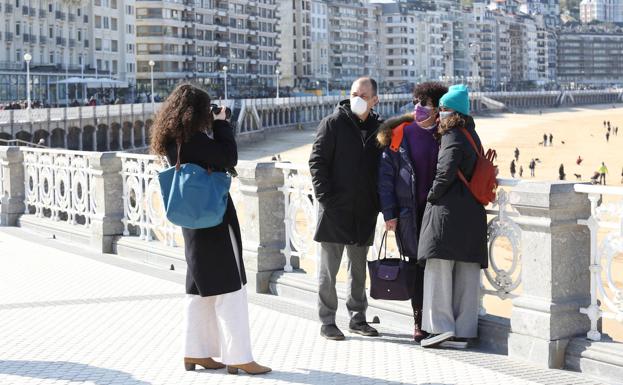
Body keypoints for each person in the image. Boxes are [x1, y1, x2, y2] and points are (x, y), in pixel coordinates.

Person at [150, 84, 270, 375]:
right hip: (214, 218)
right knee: (231, 286)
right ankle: (239, 356)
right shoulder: (194, 140)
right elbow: (228, 158)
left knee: (199, 287)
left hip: (191, 221)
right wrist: (223, 124)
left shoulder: (171, 140)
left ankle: (196, 351)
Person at [309, 77, 383, 341]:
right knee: (329, 271)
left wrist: (379, 204)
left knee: (359, 268)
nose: (357, 98)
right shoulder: (333, 123)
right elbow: (317, 162)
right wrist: (326, 199)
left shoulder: (379, 129)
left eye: (363, 94)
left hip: (364, 210)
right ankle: (327, 320)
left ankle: (357, 317)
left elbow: (385, 168)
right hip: (334, 210)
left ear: (375, 99)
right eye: (354, 93)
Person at [376, 81, 448, 343]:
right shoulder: (399, 134)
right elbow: (385, 178)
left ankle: (439, 322)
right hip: (409, 215)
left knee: (436, 268)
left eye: (425, 104)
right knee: (416, 268)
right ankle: (418, 323)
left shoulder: (445, 134)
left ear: (438, 109)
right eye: (417, 102)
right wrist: (389, 213)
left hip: (438, 214)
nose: (418, 108)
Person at [417, 84, 487, 348]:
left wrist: (432, 196)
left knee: (439, 267)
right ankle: (463, 332)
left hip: (448, 213)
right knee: (466, 272)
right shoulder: (472, 134)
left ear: (453, 111)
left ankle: (440, 328)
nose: (440, 114)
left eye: (443, 109)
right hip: (472, 213)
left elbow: (445, 171)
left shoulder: (452, 135)